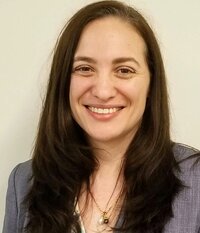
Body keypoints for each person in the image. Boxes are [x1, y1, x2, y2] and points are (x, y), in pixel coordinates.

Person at [3, 1, 200, 233]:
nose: (103, 91)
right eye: (84, 68)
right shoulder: (24, 181)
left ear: (151, 84)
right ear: (64, 80)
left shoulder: (196, 179)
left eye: (124, 70)